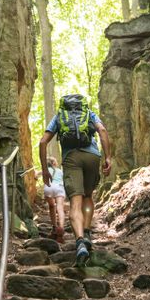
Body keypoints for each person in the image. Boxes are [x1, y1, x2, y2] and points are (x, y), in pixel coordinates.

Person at [39, 94, 111, 265]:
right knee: (88, 196)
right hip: (92, 156)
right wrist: (108, 157)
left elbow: (43, 142)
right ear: (81, 105)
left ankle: (80, 242)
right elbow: (102, 131)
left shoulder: (59, 117)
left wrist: (44, 169)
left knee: (75, 203)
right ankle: (86, 232)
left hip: (71, 158)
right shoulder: (89, 114)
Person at [41, 157, 66, 244]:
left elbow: (37, 174)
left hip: (48, 187)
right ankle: (61, 228)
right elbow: (65, 179)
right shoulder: (59, 171)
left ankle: (54, 227)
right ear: (54, 163)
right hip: (59, 187)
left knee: (52, 206)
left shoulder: (45, 170)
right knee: (60, 207)